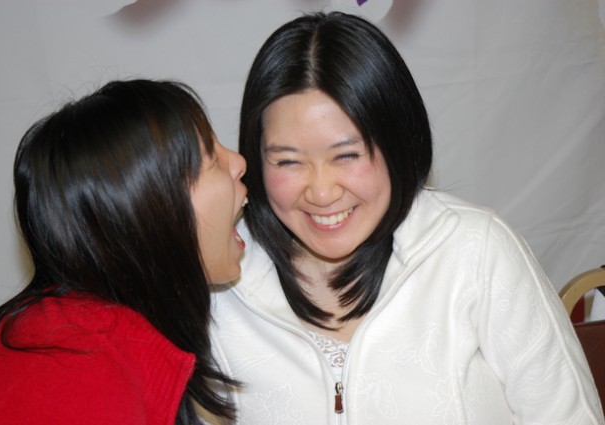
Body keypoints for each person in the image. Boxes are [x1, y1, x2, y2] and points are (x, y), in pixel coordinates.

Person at [207, 11, 605, 424]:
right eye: (288, 161)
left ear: (399, 143)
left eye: (347, 155)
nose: (322, 192)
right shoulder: (220, 282)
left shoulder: (475, 251)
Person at [0, 79, 247, 425]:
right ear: (145, 209)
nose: (239, 163)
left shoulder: (77, 339)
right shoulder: (81, 384)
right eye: (211, 159)